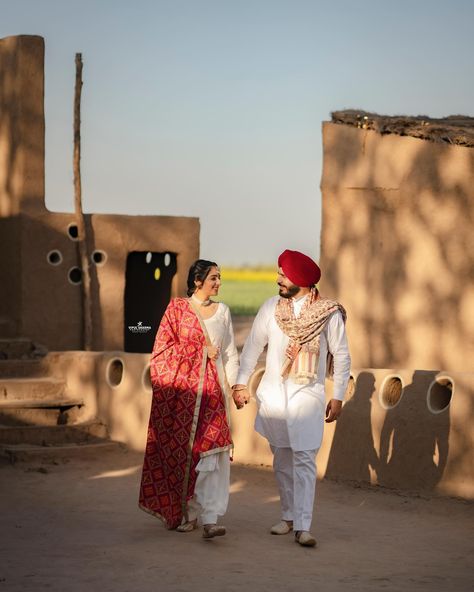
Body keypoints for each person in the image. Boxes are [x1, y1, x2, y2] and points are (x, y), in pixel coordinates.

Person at [232, 249, 351, 547]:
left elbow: (342, 354)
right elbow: (252, 349)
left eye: (283, 275)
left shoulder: (328, 313)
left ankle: (304, 525)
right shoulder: (271, 308)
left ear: (301, 279)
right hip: (274, 396)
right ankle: (287, 517)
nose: (278, 280)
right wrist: (240, 383)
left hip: (308, 396)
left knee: (305, 460)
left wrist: (338, 395)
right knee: (282, 461)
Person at [139, 259, 239, 539]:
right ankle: (187, 512)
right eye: (213, 278)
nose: (219, 283)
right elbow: (160, 353)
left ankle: (210, 518)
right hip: (184, 398)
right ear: (198, 282)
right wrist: (199, 352)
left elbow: (230, 354)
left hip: (215, 395)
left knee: (214, 452)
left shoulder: (223, 312)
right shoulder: (177, 310)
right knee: (187, 455)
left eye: (220, 278)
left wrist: (234, 387)